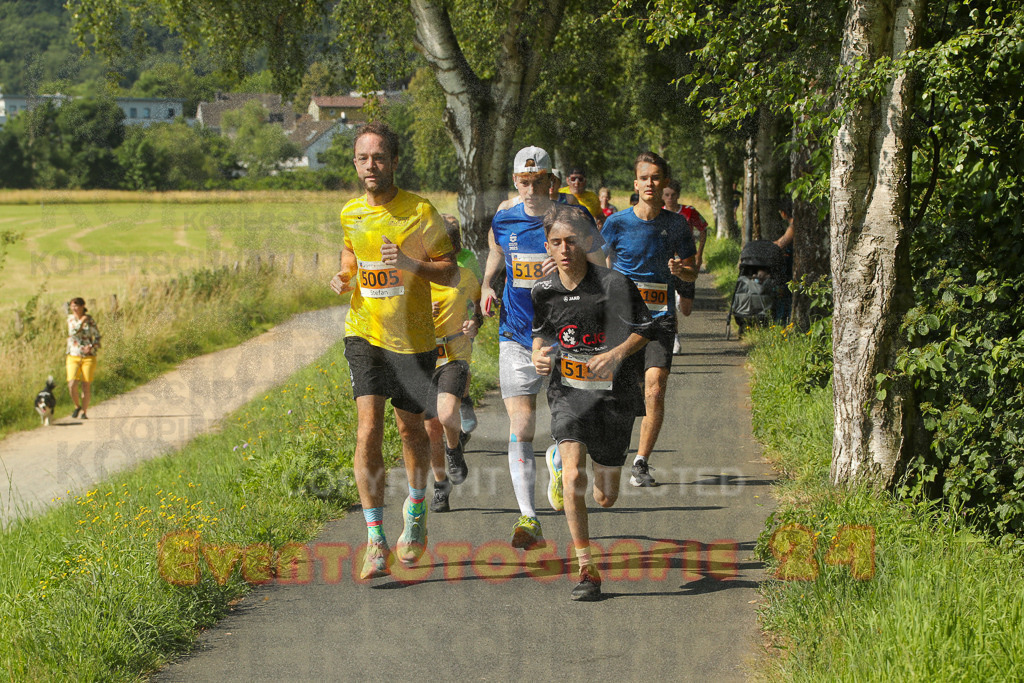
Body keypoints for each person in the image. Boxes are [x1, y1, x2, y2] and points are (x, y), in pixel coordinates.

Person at [329, 121, 459, 579]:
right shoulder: (350, 213)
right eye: (363, 158)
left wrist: (408, 264)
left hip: (414, 338)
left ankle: (417, 510)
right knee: (368, 430)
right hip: (363, 331)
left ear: (394, 162)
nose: (371, 165)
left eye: (379, 157)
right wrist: (344, 276)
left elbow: (448, 271)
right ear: (355, 162)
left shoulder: (419, 212)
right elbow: (351, 256)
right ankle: (375, 539)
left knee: (410, 432)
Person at [481, 145, 605, 549]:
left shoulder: (573, 216)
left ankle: (557, 457)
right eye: (523, 181)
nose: (531, 189)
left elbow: (603, 263)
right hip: (516, 333)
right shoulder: (504, 217)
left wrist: (575, 270)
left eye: (538, 181)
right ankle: (528, 517)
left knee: (566, 420)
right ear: (515, 180)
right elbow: (497, 252)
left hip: (566, 335)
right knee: (521, 426)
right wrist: (486, 285)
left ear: (552, 180)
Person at [531, 203, 654, 601]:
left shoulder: (614, 284)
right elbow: (542, 336)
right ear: (547, 247)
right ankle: (586, 567)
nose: (564, 249)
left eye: (570, 241)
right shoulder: (542, 291)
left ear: (585, 241)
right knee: (573, 477)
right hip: (567, 393)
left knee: (606, 496)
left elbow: (646, 330)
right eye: (555, 243)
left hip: (613, 398)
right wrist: (538, 354)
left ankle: (565, 466)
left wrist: (617, 354)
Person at [602, 152, 697, 487]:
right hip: (623, 320)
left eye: (656, 177)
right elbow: (596, 264)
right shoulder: (616, 223)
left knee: (655, 389)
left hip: (659, 319)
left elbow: (691, 268)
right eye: (644, 178)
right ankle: (609, 455)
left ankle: (641, 463)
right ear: (636, 183)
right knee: (618, 396)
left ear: (664, 183)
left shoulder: (677, 225)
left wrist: (680, 270)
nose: (650, 184)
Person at [427, 216, 483, 512]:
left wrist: (474, 324)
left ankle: (453, 448)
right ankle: (440, 487)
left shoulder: (466, 277)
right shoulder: (413, 278)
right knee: (430, 429)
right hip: (421, 356)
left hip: (455, 354)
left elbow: (478, 313)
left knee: (447, 413)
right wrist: (419, 311)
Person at [66, 297, 100, 419]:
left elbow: (97, 336)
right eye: (72, 306)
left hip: (88, 357)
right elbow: (73, 332)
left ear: (82, 307)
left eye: (76, 306)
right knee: (72, 383)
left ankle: (84, 412)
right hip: (73, 355)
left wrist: (91, 347)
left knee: (86, 384)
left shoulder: (90, 320)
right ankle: (77, 406)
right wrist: (82, 321)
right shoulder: (70, 319)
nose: (74, 308)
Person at [773, 197, 795, 325]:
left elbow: (782, 243)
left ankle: (782, 320)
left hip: (790, 266)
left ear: (783, 213)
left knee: (784, 291)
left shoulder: (793, 226)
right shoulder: (794, 225)